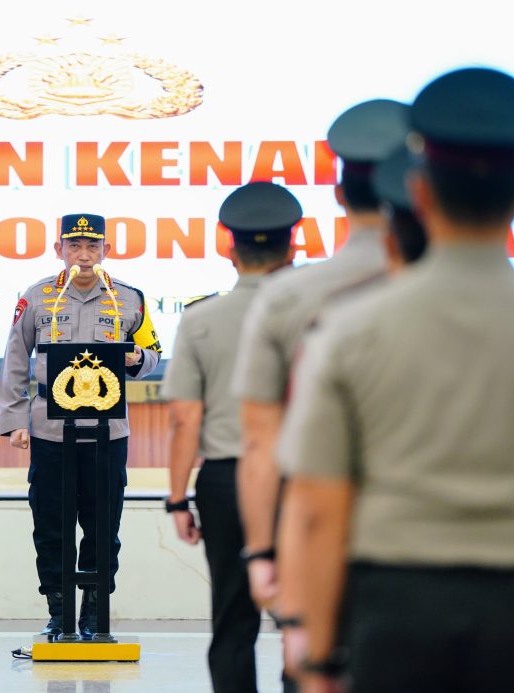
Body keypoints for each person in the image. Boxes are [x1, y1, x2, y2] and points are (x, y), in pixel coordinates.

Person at [281, 67, 514, 693]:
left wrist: (317, 658)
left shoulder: (347, 332)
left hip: (397, 613)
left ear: (419, 192)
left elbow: (318, 508)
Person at [231, 99, 408, 689]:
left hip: (322, 548)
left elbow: (264, 444)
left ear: (338, 193)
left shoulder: (289, 298)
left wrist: (263, 552)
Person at [162, 182, 301, 693]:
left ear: (227, 245)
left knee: (232, 618)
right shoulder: (319, 312)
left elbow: (184, 417)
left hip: (226, 481)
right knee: (304, 620)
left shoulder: (201, 319)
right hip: (305, 478)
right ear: (294, 245)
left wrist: (177, 499)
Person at [0, 214, 162, 638]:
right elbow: (16, 359)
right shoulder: (37, 298)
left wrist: (136, 360)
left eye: (92, 246)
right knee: (51, 525)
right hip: (50, 431)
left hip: (108, 432)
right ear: (59, 251)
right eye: (75, 246)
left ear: (106, 250)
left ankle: (93, 612)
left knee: (103, 525)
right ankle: (58, 611)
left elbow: (153, 352)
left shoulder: (128, 299)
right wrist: (15, 421)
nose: (84, 256)